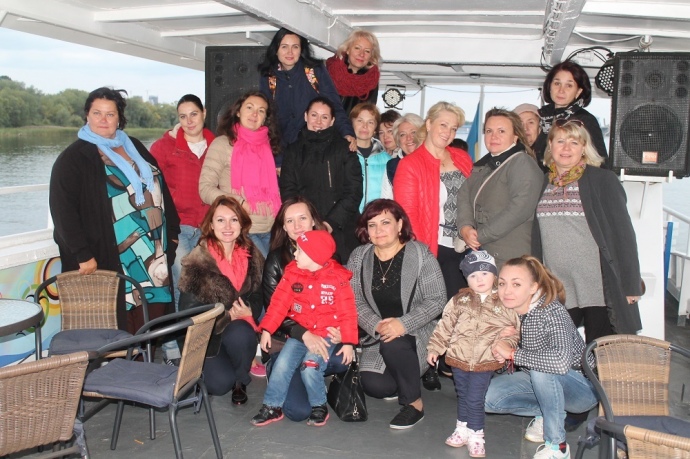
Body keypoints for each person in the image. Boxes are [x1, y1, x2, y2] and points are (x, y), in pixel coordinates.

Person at [49, 87, 179, 333]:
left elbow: (160, 187)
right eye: (97, 113)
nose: (103, 119)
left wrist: (172, 232)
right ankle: (130, 359)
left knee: (151, 321)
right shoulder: (73, 159)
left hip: (153, 253)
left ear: (119, 118)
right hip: (111, 257)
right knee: (121, 325)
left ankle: (147, 358)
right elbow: (63, 212)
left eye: (110, 114)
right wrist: (82, 254)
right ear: (87, 115)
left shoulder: (134, 146)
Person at [533, 119, 642, 341]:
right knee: (559, 350)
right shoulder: (544, 182)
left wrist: (631, 285)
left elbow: (623, 235)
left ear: (583, 147)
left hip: (597, 287)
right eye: (560, 141)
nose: (566, 148)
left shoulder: (602, 180)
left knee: (600, 351)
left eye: (574, 142)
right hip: (559, 286)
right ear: (550, 145)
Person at [485, 256, 598, 459]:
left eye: (516, 284)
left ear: (533, 287)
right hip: (540, 381)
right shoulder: (507, 313)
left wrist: (512, 353)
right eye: (502, 283)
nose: (506, 291)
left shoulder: (551, 311)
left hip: (582, 389)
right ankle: (546, 414)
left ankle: (557, 446)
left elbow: (560, 362)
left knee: (542, 368)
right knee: (485, 398)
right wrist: (499, 352)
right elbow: (508, 365)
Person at [347, 199, 446, 429]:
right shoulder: (359, 256)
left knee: (395, 345)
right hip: (380, 334)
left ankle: (414, 404)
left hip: (417, 332)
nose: (378, 230)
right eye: (372, 225)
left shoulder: (420, 254)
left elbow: (437, 298)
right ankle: (404, 378)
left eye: (385, 222)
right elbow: (353, 300)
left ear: (399, 225)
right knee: (375, 386)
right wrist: (376, 325)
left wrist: (403, 324)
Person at [251, 230, 358, 427]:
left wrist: (349, 342)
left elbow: (348, 312)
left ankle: (319, 406)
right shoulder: (292, 273)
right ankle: (272, 406)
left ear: (315, 256)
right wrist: (266, 329)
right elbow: (278, 304)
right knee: (282, 364)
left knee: (311, 365)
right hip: (301, 335)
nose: (295, 254)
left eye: (300, 251)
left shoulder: (337, 278)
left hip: (326, 334)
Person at [262, 196, 348, 421]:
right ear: (283, 227)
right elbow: (276, 307)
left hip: (324, 333)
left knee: (332, 359)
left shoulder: (331, 261)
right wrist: (299, 333)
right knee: (298, 411)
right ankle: (274, 398)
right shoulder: (279, 262)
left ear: (313, 221)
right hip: (289, 338)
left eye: (302, 218)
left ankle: (316, 389)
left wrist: (346, 336)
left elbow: (346, 306)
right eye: (290, 221)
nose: (297, 225)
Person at [427, 251, 520, 457]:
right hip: (458, 358)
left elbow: (514, 331)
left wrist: (505, 346)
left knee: (475, 398)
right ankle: (462, 429)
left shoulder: (504, 302)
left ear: (494, 275)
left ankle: (476, 435)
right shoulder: (459, 300)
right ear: (466, 278)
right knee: (463, 395)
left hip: (485, 360)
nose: (479, 279)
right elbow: (445, 325)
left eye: (484, 274)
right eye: (473, 275)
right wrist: (435, 347)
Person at [177, 196, 264, 404]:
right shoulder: (198, 261)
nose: (227, 226)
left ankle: (240, 380)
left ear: (242, 224)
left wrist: (249, 311)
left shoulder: (252, 254)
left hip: (236, 331)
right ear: (211, 225)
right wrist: (227, 316)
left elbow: (258, 294)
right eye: (220, 220)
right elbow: (189, 314)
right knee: (219, 385)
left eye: (234, 220)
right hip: (206, 336)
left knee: (242, 332)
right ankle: (225, 370)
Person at [150, 94, 215, 365]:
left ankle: (198, 346)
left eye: (194, 114)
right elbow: (148, 182)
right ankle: (173, 349)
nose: (189, 121)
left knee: (203, 288)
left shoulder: (217, 144)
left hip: (209, 230)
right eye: (183, 116)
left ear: (204, 113)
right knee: (180, 286)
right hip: (179, 228)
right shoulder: (165, 146)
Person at [394, 102, 473, 302]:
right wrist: (424, 257)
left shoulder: (462, 157)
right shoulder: (410, 164)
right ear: (429, 124)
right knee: (447, 308)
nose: (448, 132)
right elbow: (408, 216)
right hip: (435, 249)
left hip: (468, 245)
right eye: (443, 125)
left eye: (453, 128)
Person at [457, 107, 543, 269]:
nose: (493, 136)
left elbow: (519, 209)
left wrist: (480, 236)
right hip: (484, 254)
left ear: (515, 136)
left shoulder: (522, 163)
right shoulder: (482, 166)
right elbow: (463, 196)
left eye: (501, 131)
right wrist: (465, 227)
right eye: (489, 131)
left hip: (512, 259)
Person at [279, 97, 363, 264]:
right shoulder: (293, 151)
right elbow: (288, 191)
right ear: (305, 116)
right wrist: (307, 223)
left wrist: (329, 223)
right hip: (306, 231)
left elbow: (354, 191)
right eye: (314, 115)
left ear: (332, 121)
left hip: (342, 230)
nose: (318, 122)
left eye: (324, 117)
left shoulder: (345, 148)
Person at [198, 91, 281, 257]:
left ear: (265, 118)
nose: (255, 114)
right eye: (249, 107)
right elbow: (205, 189)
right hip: (242, 230)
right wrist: (239, 203)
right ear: (238, 112)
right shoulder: (222, 144)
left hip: (273, 230)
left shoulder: (270, 147)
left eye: (261, 110)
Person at [258, 27, 355, 153]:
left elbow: (334, 106)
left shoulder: (314, 71)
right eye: (284, 47)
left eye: (295, 47)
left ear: (301, 50)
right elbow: (266, 117)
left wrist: (347, 133)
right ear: (276, 50)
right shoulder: (268, 77)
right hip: (282, 149)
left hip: (315, 147)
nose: (290, 52)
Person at [533, 60, 608, 166]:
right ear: (549, 87)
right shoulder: (545, 119)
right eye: (557, 83)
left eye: (569, 85)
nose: (561, 90)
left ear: (578, 92)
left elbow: (601, 162)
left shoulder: (584, 120)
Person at [326, 29, 381, 116]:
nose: (361, 54)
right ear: (347, 50)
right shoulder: (328, 71)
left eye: (367, 51)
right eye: (357, 48)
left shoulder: (372, 81)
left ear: (371, 56)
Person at [351, 102, 390, 211]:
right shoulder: (342, 154)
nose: (365, 126)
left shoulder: (387, 160)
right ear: (352, 124)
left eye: (370, 122)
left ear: (375, 129)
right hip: (349, 217)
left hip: (377, 215)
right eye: (360, 121)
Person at [380, 113, 424, 199]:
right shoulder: (392, 166)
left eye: (413, 132)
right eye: (402, 134)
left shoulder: (435, 161)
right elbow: (387, 201)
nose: (409, 138)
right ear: (398, 140)